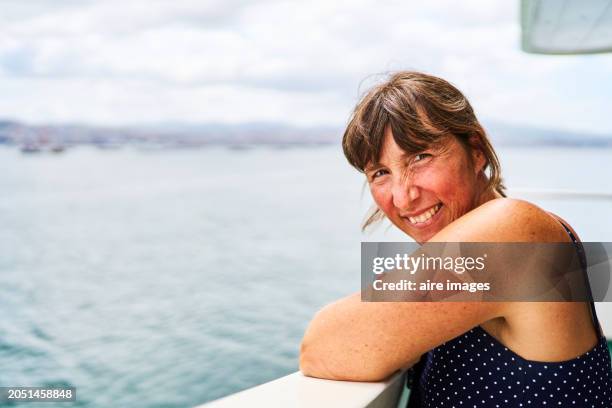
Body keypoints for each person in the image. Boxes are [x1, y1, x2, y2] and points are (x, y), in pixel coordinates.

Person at [299, 71, 612, 407]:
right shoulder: (516, 238)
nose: (403, 198)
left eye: (420, 157)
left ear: (476, 151)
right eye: (380, 173)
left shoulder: (513, 230)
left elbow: (320, 347)